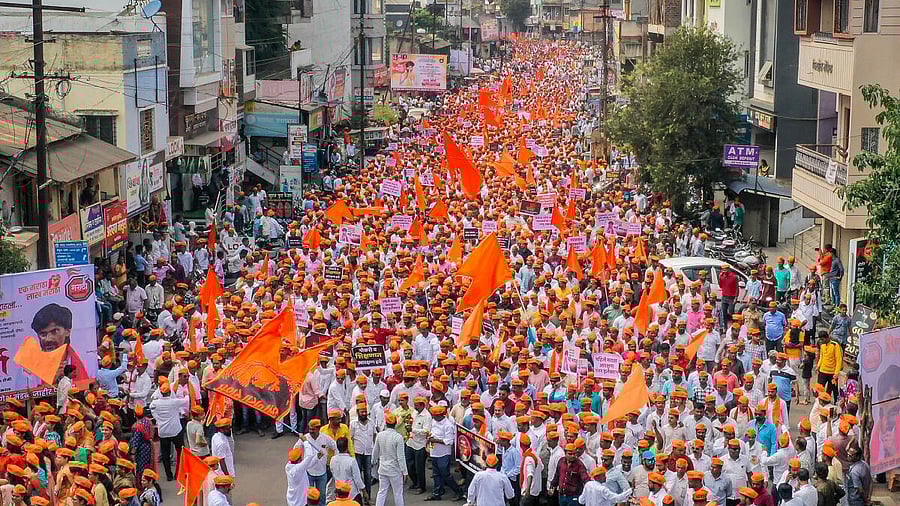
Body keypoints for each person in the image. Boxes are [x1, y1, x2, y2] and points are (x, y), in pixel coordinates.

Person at [149, 382, 190, 481]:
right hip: (175, 430)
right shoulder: (174, 402)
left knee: (165, 454)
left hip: (163, 431)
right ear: (169, 392)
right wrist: (186, 394)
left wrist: (157, 418)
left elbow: (151, 407)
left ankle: (169, 475)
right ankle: (178, 473)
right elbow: (186, 401)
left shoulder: (156, 403)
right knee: (180, 452)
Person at [372, 413, 408, 506]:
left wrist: (373, 461)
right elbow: (401, 457)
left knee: (382, 491)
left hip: (383, 468)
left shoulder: (380, 435)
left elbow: (375, 451)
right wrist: (405, 472)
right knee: (398, 493)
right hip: (394, 470)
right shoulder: (398, 437)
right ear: (395, 423)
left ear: (385, 423)